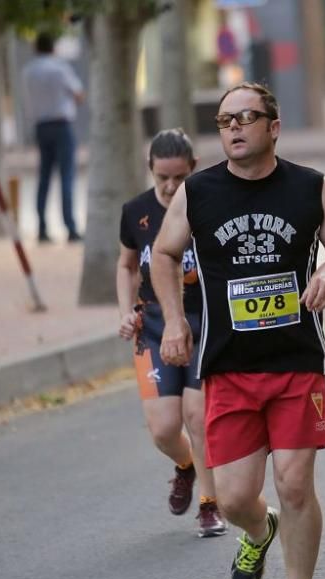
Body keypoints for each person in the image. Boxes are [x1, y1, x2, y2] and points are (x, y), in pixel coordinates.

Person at [150, 82, 325, 579]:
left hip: (296, 363)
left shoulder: (310, 187)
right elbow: (164, 255)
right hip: (229, 366)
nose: (234, 128)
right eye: (224, 121)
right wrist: (175, 320)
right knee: (236, 497)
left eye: (246, 117)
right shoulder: (198, 193)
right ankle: (259, 531)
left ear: (274, 125)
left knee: (295, 484)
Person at [115, 128, 226, 538]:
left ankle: (209, 505)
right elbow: (127, 266)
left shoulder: (208, 207)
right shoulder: (135, 211)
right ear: (151, 171)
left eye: (179, 177)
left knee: (198, 416)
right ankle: (187, 466)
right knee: (164, 430)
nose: (170, 186)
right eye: (162, 177)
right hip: (155, 324)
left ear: (192, 170)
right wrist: (126, 313)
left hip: (204, 320)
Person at [22, 32, 84, 243]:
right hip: (61, 123)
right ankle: (70, 227)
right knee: (66, 177)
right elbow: (78, 94)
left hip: (41, 126)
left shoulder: (28, 71)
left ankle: (42, 227)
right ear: (53, 48)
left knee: (44, 178)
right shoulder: (60, 68)